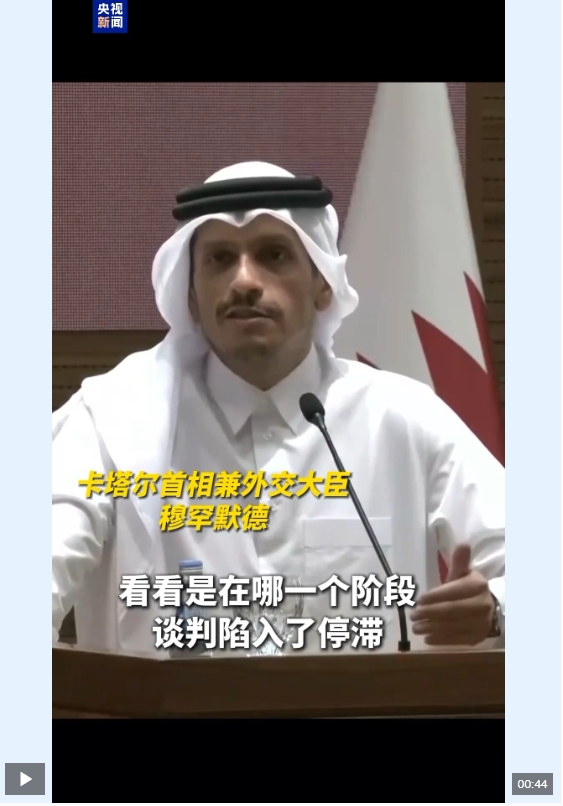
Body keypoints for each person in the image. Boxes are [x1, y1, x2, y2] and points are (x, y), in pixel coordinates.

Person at [52, 161, 504, 655]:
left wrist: (494, 610)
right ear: (191, 295)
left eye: (274, 255)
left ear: (323, 283)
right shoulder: (109, 421)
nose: (244, 281)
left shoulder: (402, 417)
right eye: (220, 259)